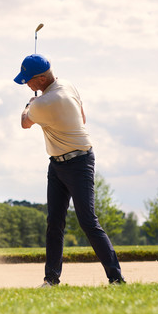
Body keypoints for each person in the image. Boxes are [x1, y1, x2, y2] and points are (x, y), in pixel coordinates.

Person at [15, 54, 126, 286]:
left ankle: (116, 278)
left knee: (88, 221)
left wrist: (29, 104)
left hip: (78, 164)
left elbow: (25, 122)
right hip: (57, 163)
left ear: (42, 79)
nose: (27, 84)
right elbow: (83, 116)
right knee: (54, 222)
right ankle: (51, 279)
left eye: (29, 80)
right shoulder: (67, 84)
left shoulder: (46, 102)